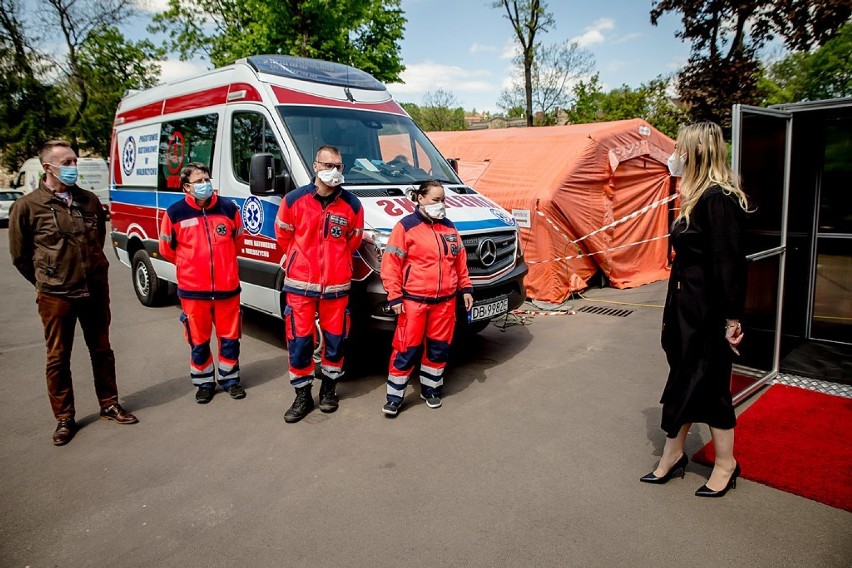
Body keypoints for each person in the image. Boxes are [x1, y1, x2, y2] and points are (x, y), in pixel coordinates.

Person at [640, 122, 749, 497]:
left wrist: (732, 318)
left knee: (710, 385)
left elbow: (730, 263)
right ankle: (673, 456)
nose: (675, 156)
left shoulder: (718, 199)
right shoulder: (697, 196)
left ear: (697, 153)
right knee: (685, 379)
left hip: (708, 313)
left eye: (681, 149)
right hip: (686, 309)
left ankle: (725, 464)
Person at [8, 140, 138, 446]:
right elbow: (20, 256)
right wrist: (46, 281)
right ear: (48, 167)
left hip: (93, 289)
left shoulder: (89, 201)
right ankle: (64, 418)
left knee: (102, 350)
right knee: (58, 357)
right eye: (66, 162)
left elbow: (98, 240)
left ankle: (109, 403)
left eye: (74, 162)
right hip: (56, 295)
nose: (73, 167)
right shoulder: (27, 207)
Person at [275, 145, 364, 423]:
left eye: (338, 166)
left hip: (336, 286)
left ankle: (328, 390)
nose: (334, 171)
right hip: (300, 284)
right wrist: (301, 260)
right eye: (328, 166)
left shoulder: (352, 205)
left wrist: (336, 264)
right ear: (315, 167)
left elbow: (353, 241)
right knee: (299, 342)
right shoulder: (293, 200)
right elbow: (283, 236)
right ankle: (302, 395)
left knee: (335, 342)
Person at [380, 180, 474, 417]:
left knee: (438, 349)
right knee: (405, 349)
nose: (440, 204)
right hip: (414, 301)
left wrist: (467, 289)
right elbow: (390, 265)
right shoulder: (405, 227)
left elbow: (460, 262)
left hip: (445, 303)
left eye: (443, 200)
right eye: (435, 199)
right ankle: (394, 397)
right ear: (420, 198)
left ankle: (431, 390)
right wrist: (395, 296)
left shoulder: (449, 227)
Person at [159, 162, 246, 404]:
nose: (205, 185)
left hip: (227, 288)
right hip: (193, 290)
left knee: (230, 338)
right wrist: (191, 266)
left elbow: (237, 241)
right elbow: (167, 249)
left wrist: (223, 263)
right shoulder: (174, 213)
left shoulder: (228, 208)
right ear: (186, 186)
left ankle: (230, 380)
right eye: (199, 181)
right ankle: (204, 382)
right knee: (198, 339)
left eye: (206, 179)